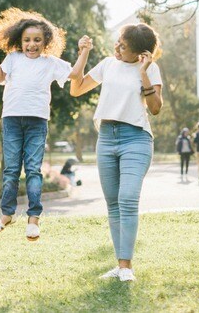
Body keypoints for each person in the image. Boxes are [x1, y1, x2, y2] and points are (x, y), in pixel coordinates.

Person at [0, 8, 91, 240]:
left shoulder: (50, 63)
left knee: (33, 169)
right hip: (12, 119)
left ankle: (33, 219)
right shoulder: (13, 58)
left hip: (37, 122)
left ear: (46, 42)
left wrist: (83, 52)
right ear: (19, 41)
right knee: (11, 170)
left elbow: (74, 74)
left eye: (37, 40)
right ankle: (6, 215)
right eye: (26, 40)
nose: (31, 45)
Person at [70, 23, 163, 283]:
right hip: (107, 138)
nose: (117, 48)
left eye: (124, 46)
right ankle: (121, 265)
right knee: (113, 204)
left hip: (136, 138)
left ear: (141, 53)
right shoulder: (108, 64)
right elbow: (75, 89)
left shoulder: (151, 68)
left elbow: (155, 108)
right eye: (118, 42)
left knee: (128, 198)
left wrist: (143, 73)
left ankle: (126, 267)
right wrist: (84, 53)